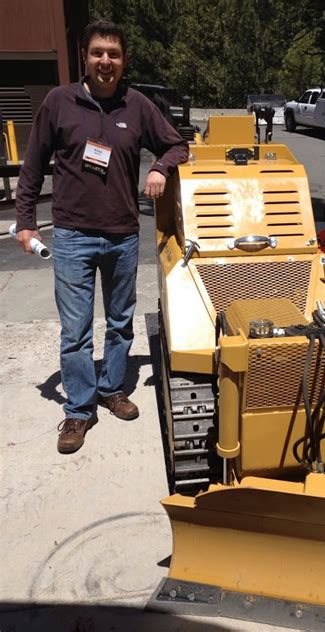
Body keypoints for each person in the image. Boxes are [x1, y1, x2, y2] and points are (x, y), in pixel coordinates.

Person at [15, 21, 189, 454]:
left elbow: (177, 145)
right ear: (85, 59)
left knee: (119, 322)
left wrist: (158, 167)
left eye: (113, 53)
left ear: (123, 60)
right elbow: (32, 164)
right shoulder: (59, 102)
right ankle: (78, 410)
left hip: (123, 236)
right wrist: (25, 222)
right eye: (97, 53)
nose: (105, 61)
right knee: (75, 331)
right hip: (72, 235)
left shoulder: (138, 105)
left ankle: (111, 388)